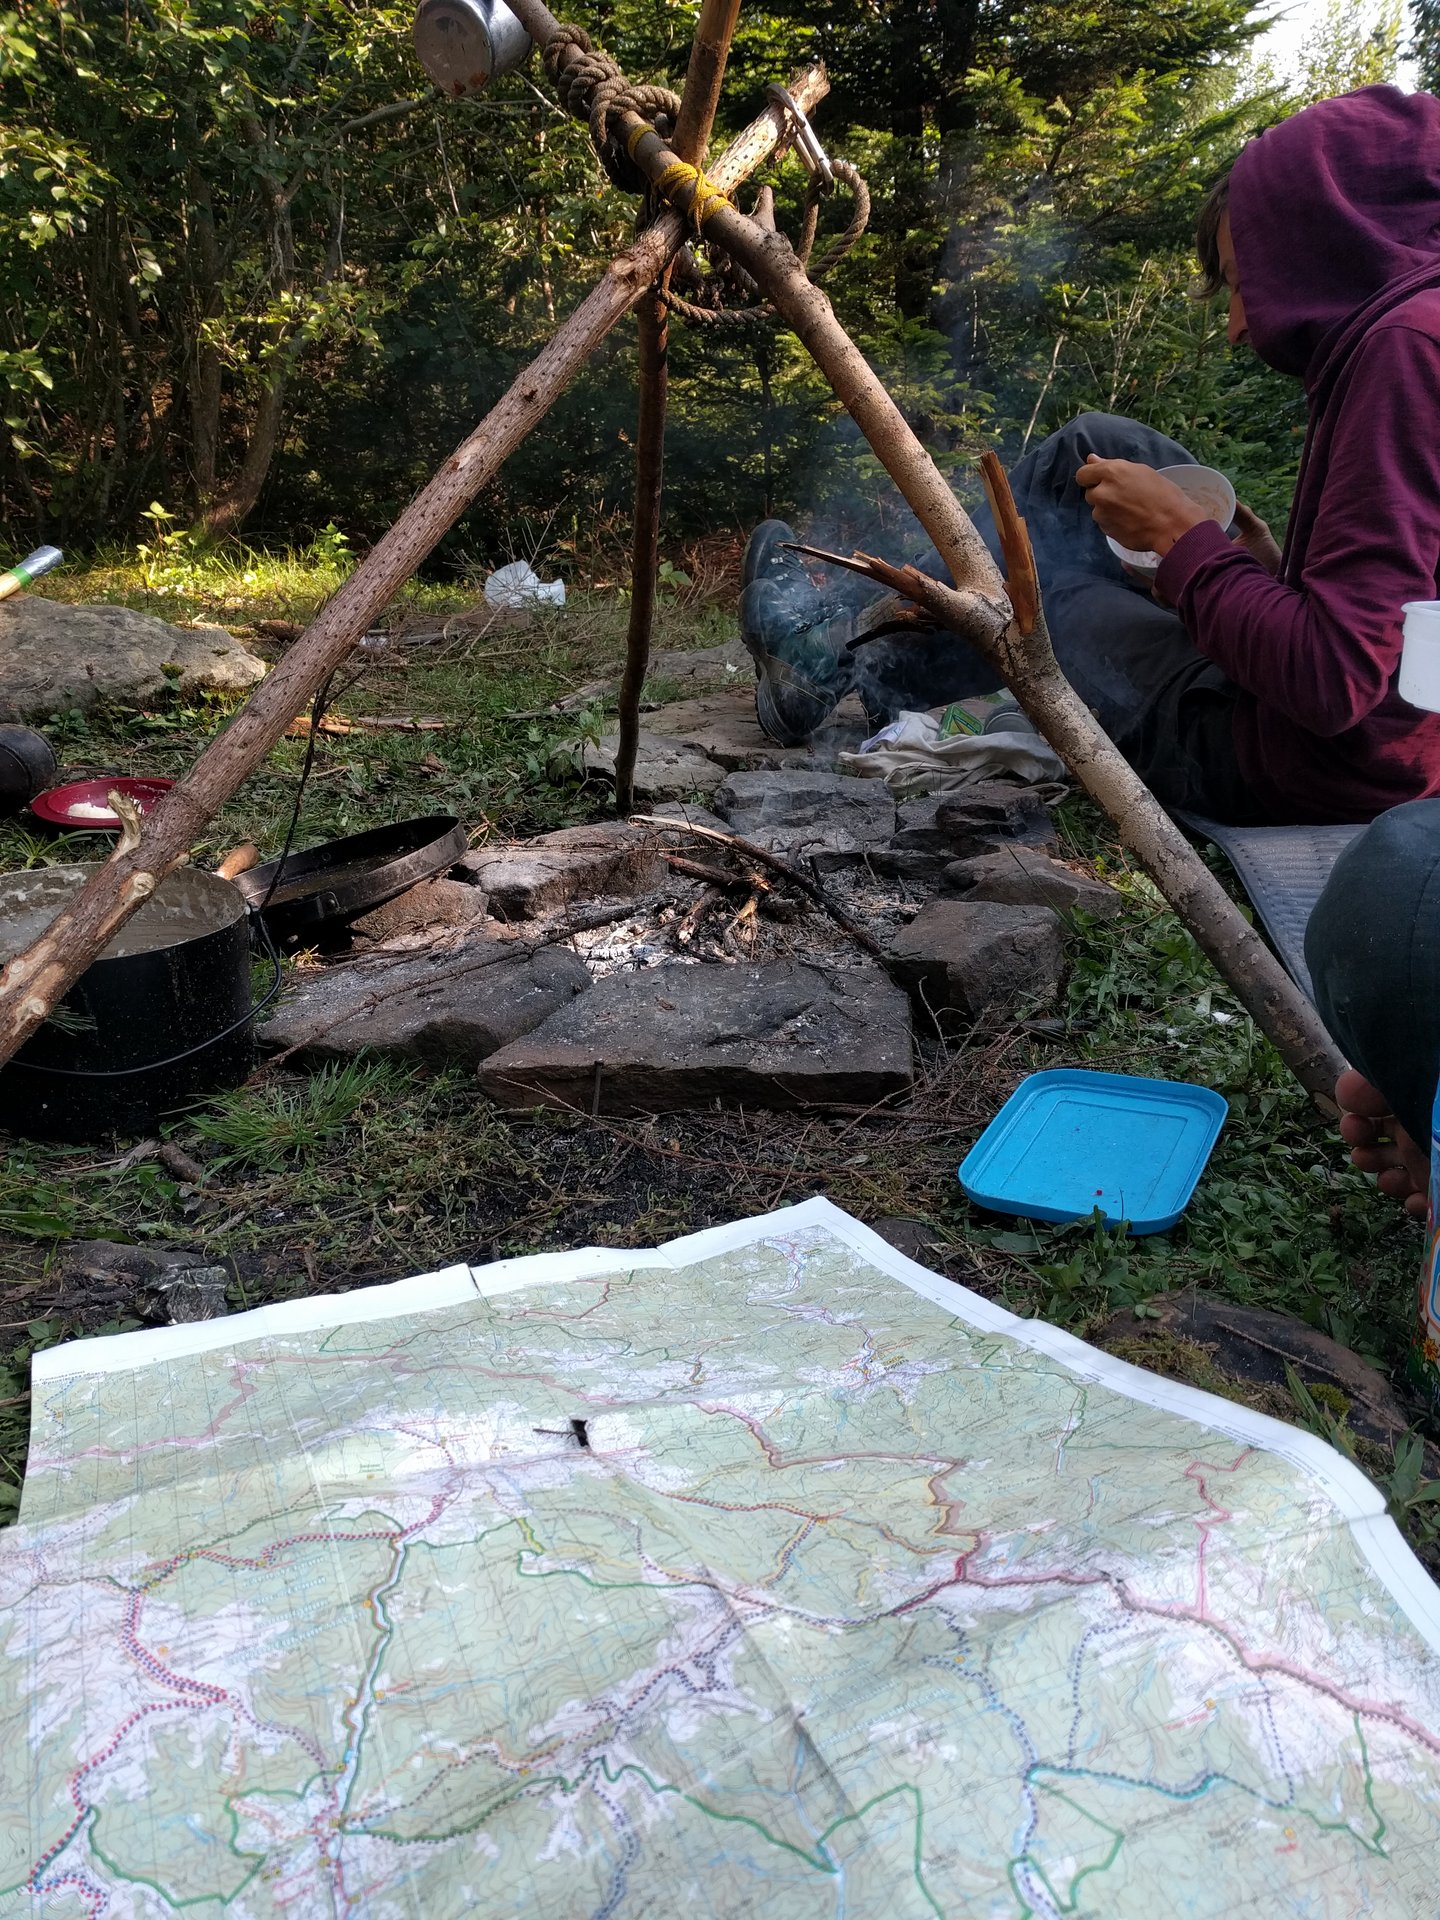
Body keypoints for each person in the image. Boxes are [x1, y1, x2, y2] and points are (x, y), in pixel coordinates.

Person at [739, 84, 1440, 827]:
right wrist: (1267, 571)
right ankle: (849, 637)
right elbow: (1397, 625)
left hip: (1279, 759)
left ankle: (850, 655)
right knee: (1093, 442)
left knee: (1044, 591)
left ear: (1330, 239)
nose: (1239, 325)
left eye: (1243, 286)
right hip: (1338, 732)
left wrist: (1182, 541)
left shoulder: (1406, 351)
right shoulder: (1410, 326)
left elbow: (1333, 684)